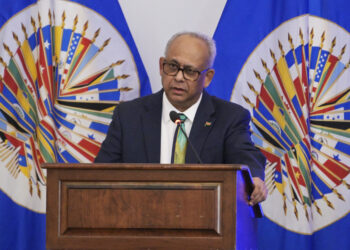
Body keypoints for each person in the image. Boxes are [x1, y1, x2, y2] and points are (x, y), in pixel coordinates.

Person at [95, 32, 267, 205]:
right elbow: (99, 176)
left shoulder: (229, 117)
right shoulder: (129, 116)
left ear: (207, 78)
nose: (178, 77)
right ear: (162, 66)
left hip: (203, 222)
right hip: (137, 219)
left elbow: (245, 155)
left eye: (190, 71)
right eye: (172, 66)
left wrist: (254, 178)